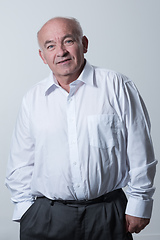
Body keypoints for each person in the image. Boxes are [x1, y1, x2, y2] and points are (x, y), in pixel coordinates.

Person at [5, 17, 157, 240]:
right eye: (50, 46)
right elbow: (20, 163)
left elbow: (140, 149)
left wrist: (140, 203)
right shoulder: (33, 99)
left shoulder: (117, 86)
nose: (61, 51)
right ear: (42, 56)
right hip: (47, 216)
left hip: (107, 213)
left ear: (84, 44)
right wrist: (27, 211)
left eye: (68, 41)